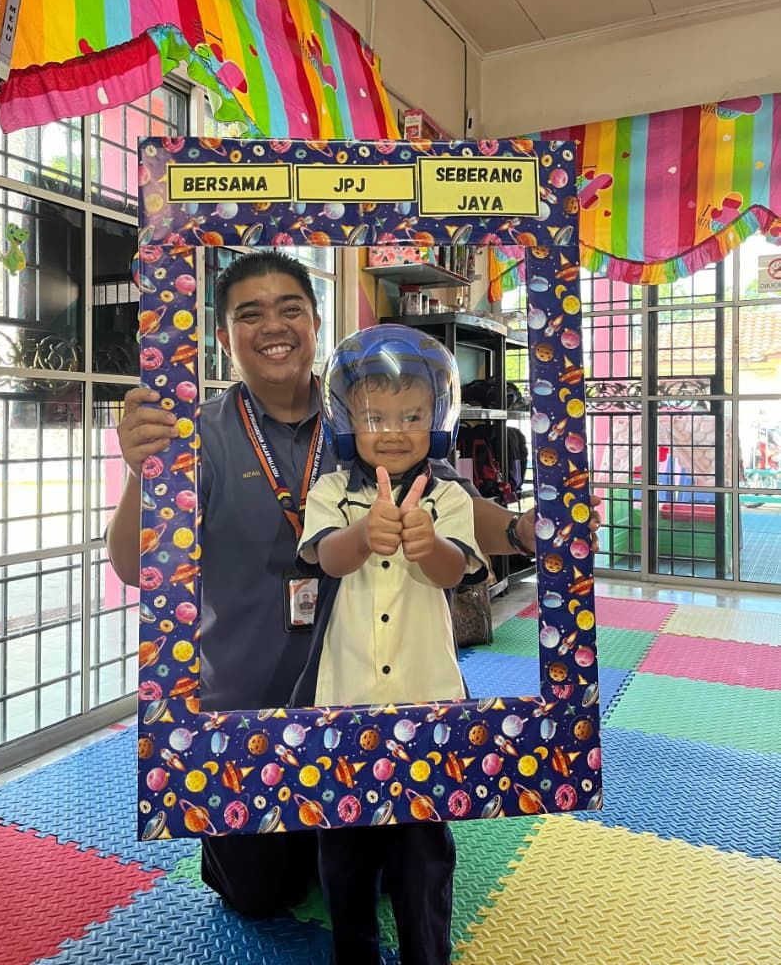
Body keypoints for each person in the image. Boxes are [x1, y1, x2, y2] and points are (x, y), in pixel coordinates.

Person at [106, 249, 599, 919]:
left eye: (290, 309)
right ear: (222, 335)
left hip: (372, 695)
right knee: (261, 896)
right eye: (249, 314)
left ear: (315, 323)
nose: (272, 326)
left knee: (401, 874)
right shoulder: (199, 436)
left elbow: (448, 500)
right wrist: (143, 471)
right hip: (249, 705)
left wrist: (523, 531)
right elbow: (134, 567)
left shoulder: (369, 404)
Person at [292, 325, 485, 965]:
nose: (395, 431)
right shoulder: (331, 491)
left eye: (413, 416)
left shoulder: (448, 495)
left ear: (438, 420)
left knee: (423, 850)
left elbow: (455, 572)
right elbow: (325, 557)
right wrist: (362, 535)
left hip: (426, 697)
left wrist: (429, 545)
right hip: (345, 699)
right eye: (376, 418)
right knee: (345, 852)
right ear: (348, 422)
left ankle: (428, 952)